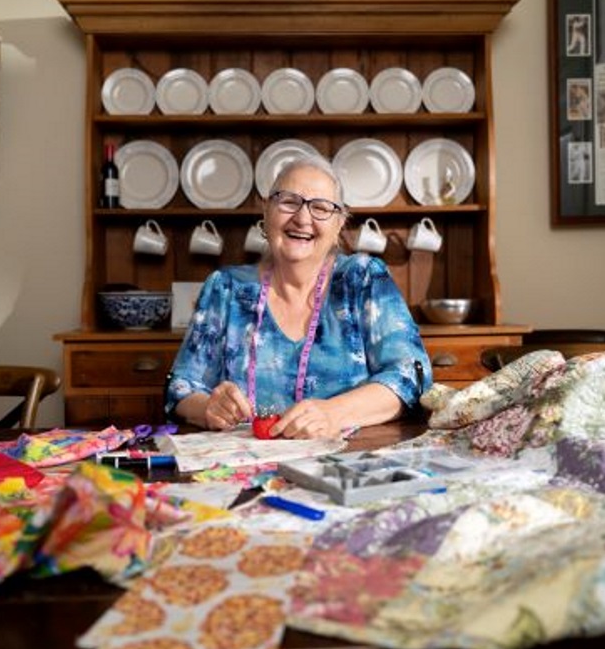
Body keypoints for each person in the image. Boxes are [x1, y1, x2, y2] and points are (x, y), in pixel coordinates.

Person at [165, 154, 432, 439]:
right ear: (266, 211)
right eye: (289, 202)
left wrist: (334, 413)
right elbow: (180, 387)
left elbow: (411, 376)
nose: (303, 218)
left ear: (339, 224)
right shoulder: (226, 288)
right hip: (246, 467)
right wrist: (207, 407)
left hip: (347, 467)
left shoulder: (362, 279)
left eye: (321, 208)